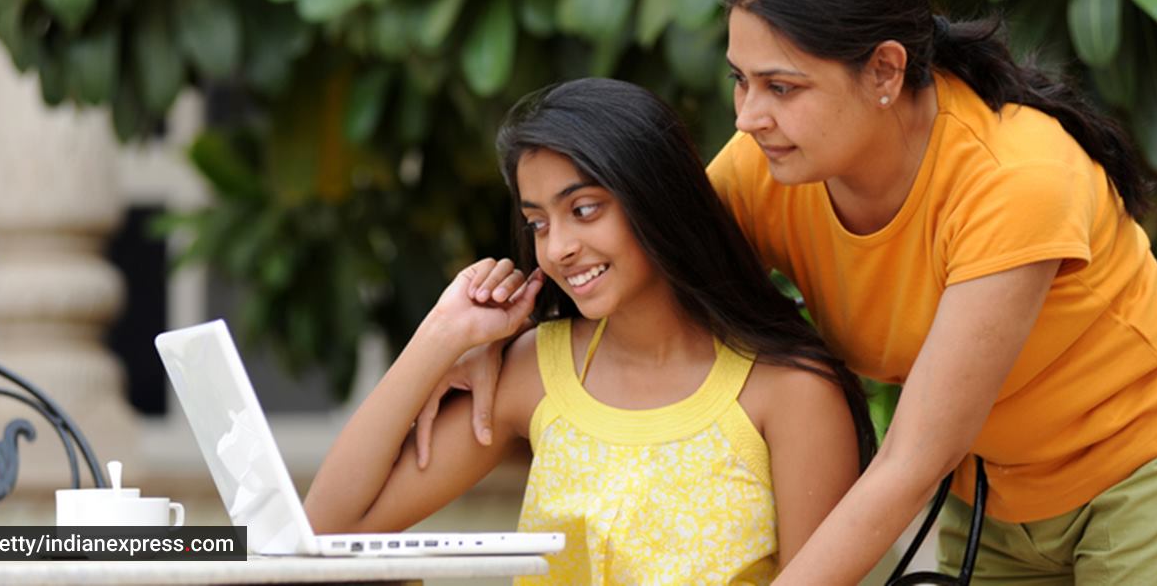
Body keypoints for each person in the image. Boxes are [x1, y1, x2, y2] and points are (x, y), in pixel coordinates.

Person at [415, 0, 1157, 583]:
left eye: (782, 87)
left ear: (884, 70)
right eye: (741, 82)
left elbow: (910, 462)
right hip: (1000, 505)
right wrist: (496, 333)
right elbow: (644, 264)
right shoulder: (771, 168)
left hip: (1147, 469)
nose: (748, 118)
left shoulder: (1015, 181)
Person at [304, 77, 876, 583]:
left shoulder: (791, 391)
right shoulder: (538, 370)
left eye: (583, 210)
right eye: (537, 223)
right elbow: (328, 530)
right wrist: (442, 334)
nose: (558, 248)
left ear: (656, 200)